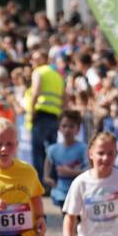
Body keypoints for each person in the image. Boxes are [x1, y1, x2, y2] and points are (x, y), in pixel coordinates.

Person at [30, 48, 65, 184]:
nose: (32, 61)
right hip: (54, 116)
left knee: (38, 150)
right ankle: (54, 180)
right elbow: (65, 98)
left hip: (41, 115)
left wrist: (32, 112)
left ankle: (40, 183)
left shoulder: (39, 72)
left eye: (35, 58)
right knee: (51, 150)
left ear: (44, 59)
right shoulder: (58, 75)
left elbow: (35, 92)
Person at [44, 108, 89, 210]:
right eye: (64, 126)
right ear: (59, 128)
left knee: (78, 220)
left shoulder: (83, 148)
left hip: (79, 192)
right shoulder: (53, 149)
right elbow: (48, 164)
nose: (67, 129)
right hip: (61, 192)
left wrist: (71, 172)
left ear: (77, 129)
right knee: (66, 217)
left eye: (71, 126)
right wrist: (47, 178)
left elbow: (88, 171)